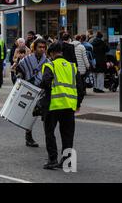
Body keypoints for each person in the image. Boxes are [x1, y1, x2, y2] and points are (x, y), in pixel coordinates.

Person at [40, 42, 84, 170]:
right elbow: (80, 88)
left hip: (53, 105)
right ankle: (67, 161)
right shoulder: (72, 67)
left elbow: (45, 82)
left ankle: (52, 159)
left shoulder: (50, 65)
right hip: (69, 106)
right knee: (67, 134)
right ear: (61, 52)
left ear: (52, 54)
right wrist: (77, 103)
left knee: (49, 132)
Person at [16, 38, 48, 148]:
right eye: (40, 47)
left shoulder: (47, 61)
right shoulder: (27, 59)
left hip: (42, 90)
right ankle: (28, 137)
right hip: (29, 89)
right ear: (34, 48)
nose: (42, 49)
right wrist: (20, 76)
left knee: (45, 114)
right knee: (30, 114)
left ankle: (48, 136)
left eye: (44, 47)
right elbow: (20, 69)